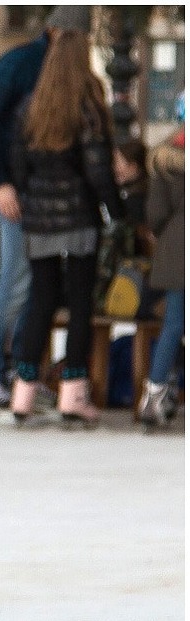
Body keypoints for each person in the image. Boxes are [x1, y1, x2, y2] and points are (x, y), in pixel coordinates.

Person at [0, 5, 95, 424]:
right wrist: (0, 182)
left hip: (37, 196)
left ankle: (19, 374)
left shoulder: (56, 65)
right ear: (58, 32)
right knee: (17, 283)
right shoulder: (21, 64)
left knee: (34, 290)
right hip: (17, 194)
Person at [6, 27, 122, 428]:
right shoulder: (86, 109)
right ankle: (73, 393)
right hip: (78, 220)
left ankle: (23, 392)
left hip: (38, 222)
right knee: (78, 305)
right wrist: (115, 210)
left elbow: (18, 167)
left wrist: (31, 198)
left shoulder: (30, 107)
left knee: (40, 300)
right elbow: (97, 170)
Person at [140, 108, 183, 428]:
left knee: (173, 325)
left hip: (177, 254)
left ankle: (154, 393)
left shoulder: (165, 163)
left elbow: (155, 214)